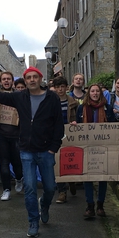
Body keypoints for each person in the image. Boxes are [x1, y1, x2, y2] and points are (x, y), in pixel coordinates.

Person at [0, 62, 64, 237]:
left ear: (40, 79)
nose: (31, 80)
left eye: (34, 77)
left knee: (50, 187)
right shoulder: (19, 97)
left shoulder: (51, 98)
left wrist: (54, 148)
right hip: (26, 150)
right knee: (30, 187)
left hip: (46, 150)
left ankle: (44, 205)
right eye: (28, 77)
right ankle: (33, 221)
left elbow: (58, 125)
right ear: (25, 80)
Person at [75, 84, 119, 219]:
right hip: (86, 146)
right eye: (92, 91)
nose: (95, 93)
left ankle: (100, 205)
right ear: (88, 93)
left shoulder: (107, 108)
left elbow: (113, 125)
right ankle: (90, 206)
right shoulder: (81, 108)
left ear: (100, 94)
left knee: (103, 176)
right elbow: (78, 125)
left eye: (97, 91)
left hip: (103, 145)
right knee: (87, 176)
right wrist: (74, 126)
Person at [0, 71, 24, 201]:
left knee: (17, 162)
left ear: (12, 81)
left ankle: (19, 179)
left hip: (16, 134)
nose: (6, 81)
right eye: (4, 79)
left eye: (8, 79)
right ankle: (6, 189)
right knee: (3, 161)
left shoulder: (19, 96)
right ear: (1, 81)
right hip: (0, 134)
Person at [51, 75, 78, 204]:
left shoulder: (73, 102)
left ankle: (72, 181)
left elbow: (79, 118)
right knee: (57, 162)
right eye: (58, 87)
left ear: (66, 88)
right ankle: (62, 191)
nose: (60, 89)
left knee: (70, 159)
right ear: (54, 88)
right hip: (55, 135)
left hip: (69, 134)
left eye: (62, 87)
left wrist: (75, 122)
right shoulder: (50, 101)